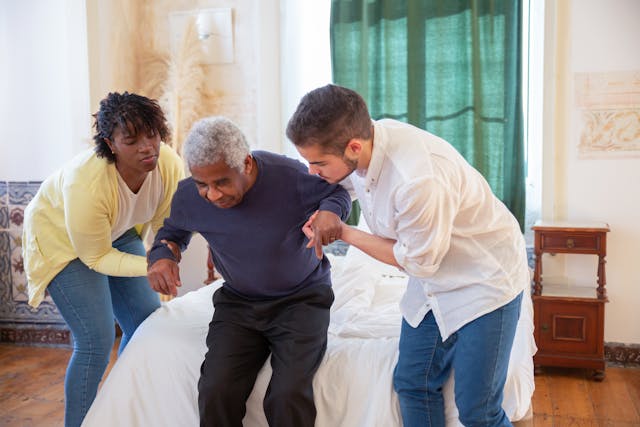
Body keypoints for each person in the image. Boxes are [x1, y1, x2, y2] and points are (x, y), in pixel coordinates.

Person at [286, 84, 530, 427]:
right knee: (413, 383)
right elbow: (342, 186)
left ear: (354, 146)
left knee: (478, 410)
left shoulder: (417, 180)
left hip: (485, 280)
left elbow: (417, 262)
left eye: (319, 163)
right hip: (433, 279)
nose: (313, 172)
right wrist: (326, 210)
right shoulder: (367, 143)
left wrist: (344, 232)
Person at [146, 116, 351, 427]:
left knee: (286, 395)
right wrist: (162, 257)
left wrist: (330, 212)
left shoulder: (288, 176)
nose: (212, 194)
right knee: (215, 390)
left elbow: (337, 193)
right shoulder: (189, 196)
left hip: (301, 299)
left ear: (246, 163)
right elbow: (171, 234)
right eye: (203, 184)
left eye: (222, 182)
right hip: (239, 303)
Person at [22, 92, 184, 427]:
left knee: (145, 324)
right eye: (132, 140)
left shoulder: (167, 162)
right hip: (61, 240)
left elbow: (166, 225)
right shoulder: (87, 183)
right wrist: (151, 266)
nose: (147, 147)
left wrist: (166, 255)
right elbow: (95, 257)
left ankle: (117, 412)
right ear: (110, 143)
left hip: (116, 228)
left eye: (152, 134)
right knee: (95, 340)